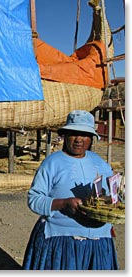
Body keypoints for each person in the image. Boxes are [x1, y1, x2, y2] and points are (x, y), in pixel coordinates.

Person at [22, 110, 119, 270]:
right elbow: (34, 199)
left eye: (84, 134)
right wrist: (63, 203)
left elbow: (106, 194)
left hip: (98, 240)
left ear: (91, 138)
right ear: (65, 136)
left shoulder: (99, 163)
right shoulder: (52, 163)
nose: (79, 140)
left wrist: (109, 200)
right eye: (73, 133)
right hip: (61, 241)